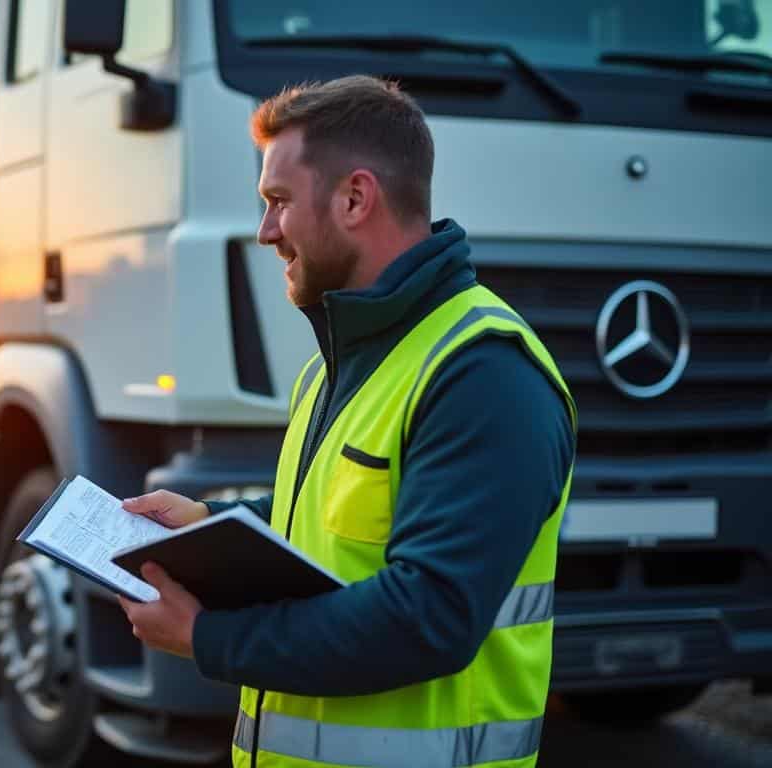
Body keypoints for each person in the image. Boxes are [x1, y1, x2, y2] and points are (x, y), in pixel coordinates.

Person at [119, 76, 576, 768]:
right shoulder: (339, 364)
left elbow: (429, 618)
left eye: (278, 202)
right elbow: (329, 521)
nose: (266, 232)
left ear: (355, 198)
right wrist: (208, 522)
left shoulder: (484, 374)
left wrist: (208, 638)